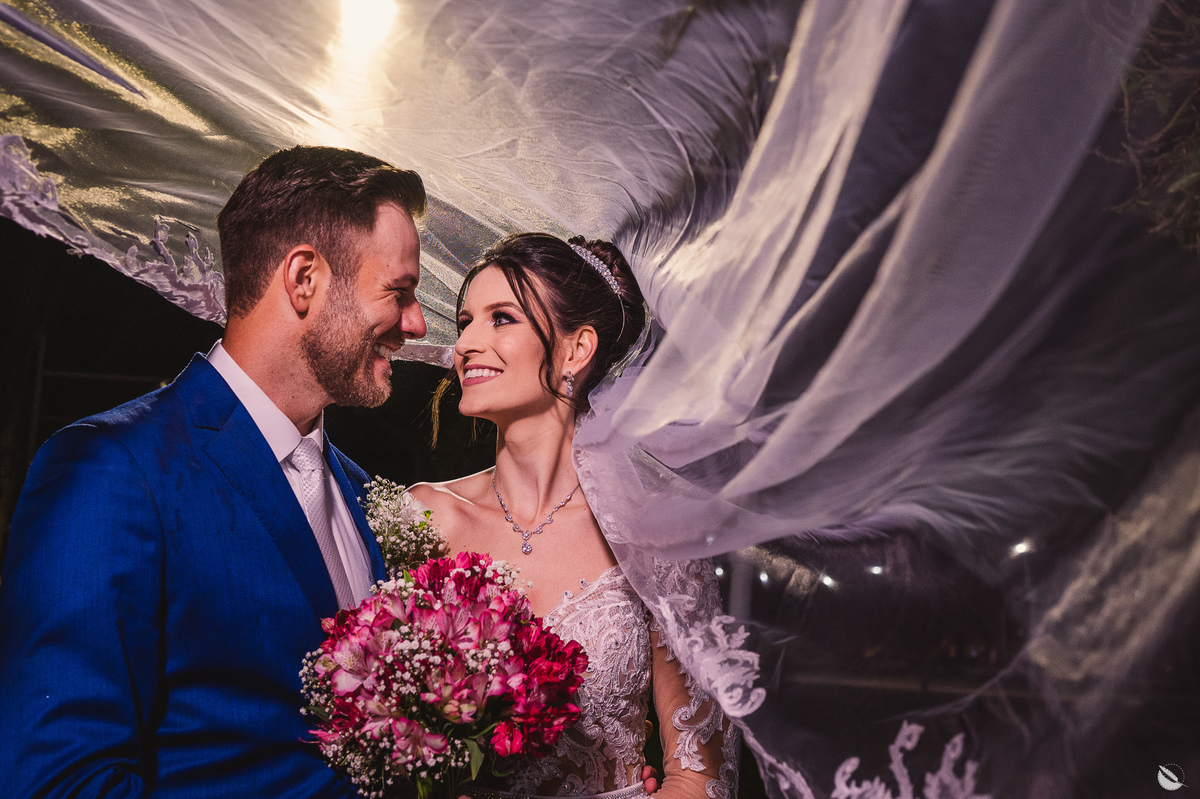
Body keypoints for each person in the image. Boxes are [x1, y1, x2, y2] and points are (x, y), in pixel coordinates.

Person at [0, 145, 428, 797]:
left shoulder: (366, 493)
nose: (417, 324)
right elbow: (58, 780)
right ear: (304, 278)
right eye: (398, 292)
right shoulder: (113, 469)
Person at [410, 233, 738, 799]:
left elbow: (701, 776)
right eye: (465, 322)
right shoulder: (423, 517)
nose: (465, 343)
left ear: (576, 349)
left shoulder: (653, 536)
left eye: (501, 318)